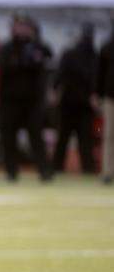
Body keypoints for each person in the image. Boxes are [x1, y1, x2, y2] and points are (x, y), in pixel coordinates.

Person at [0, 14, 54, 182]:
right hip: (10, 101)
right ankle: (11, 171)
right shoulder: (7, 48)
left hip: (32, 101)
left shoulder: (39, 47)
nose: (22, 29)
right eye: (19, 26)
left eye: (25, 26)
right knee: (9, 137)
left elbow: (45, 66)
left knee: (36, 136)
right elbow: (5, 68)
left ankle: (44, 171)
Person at [52, 23, 99, 174]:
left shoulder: (81, 55)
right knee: (78, 139)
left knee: (75, 139)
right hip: (76, 103)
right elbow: (59, 76)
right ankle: (85, 168)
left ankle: (60, 167)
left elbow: (58, 76)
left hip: (76, 103)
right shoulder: (91, 56)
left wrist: (55, 90)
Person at [98, 26, 114, 185]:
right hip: (111, 97)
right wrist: (98, 94)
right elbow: (100, 73)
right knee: (109, 135)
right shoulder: (108, 47)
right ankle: (108, 171)